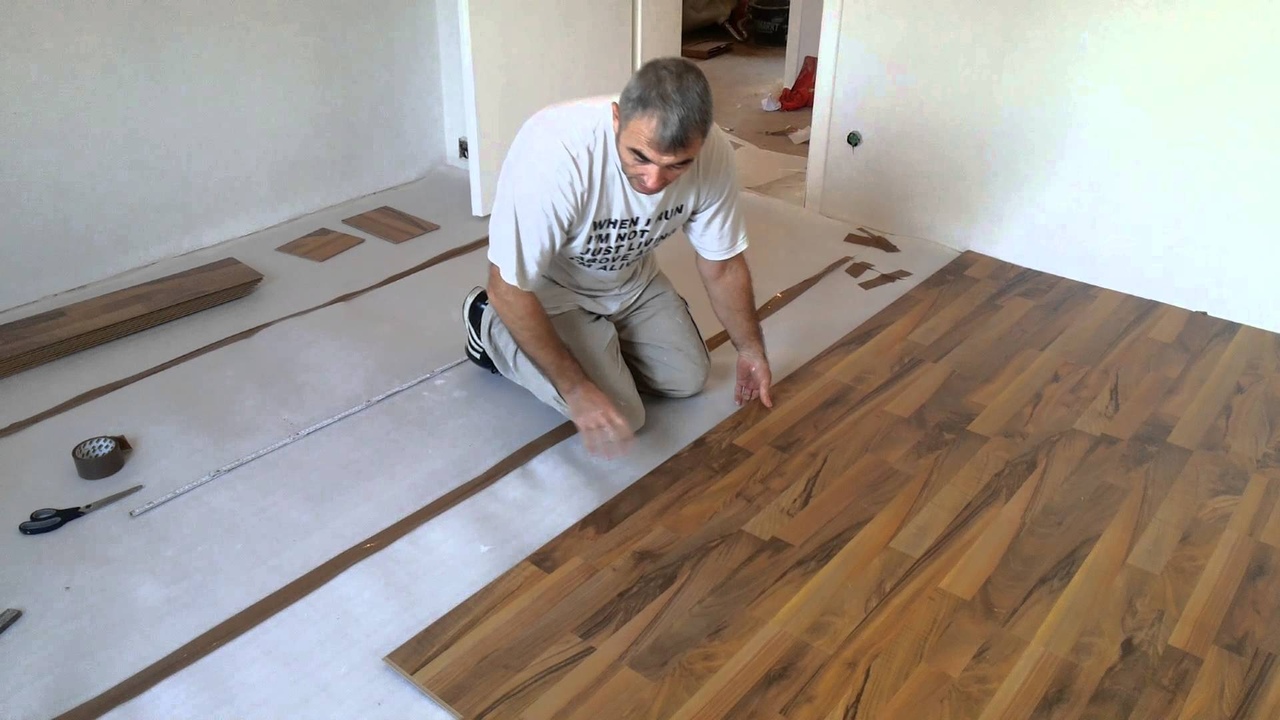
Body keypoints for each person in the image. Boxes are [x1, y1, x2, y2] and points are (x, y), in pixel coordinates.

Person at [461, 57, 773, 459]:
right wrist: (576, 388)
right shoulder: (555, 155)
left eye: (677, 165)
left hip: (631, 280)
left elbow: (724, 265)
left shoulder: (714, 156)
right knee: (625, 416)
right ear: (616, 118)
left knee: (689, 379)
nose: (654, 181)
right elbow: (508, 287)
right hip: (549, 291)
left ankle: (601, 345)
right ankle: (487, 323)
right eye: (640, 157)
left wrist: (750, 349)